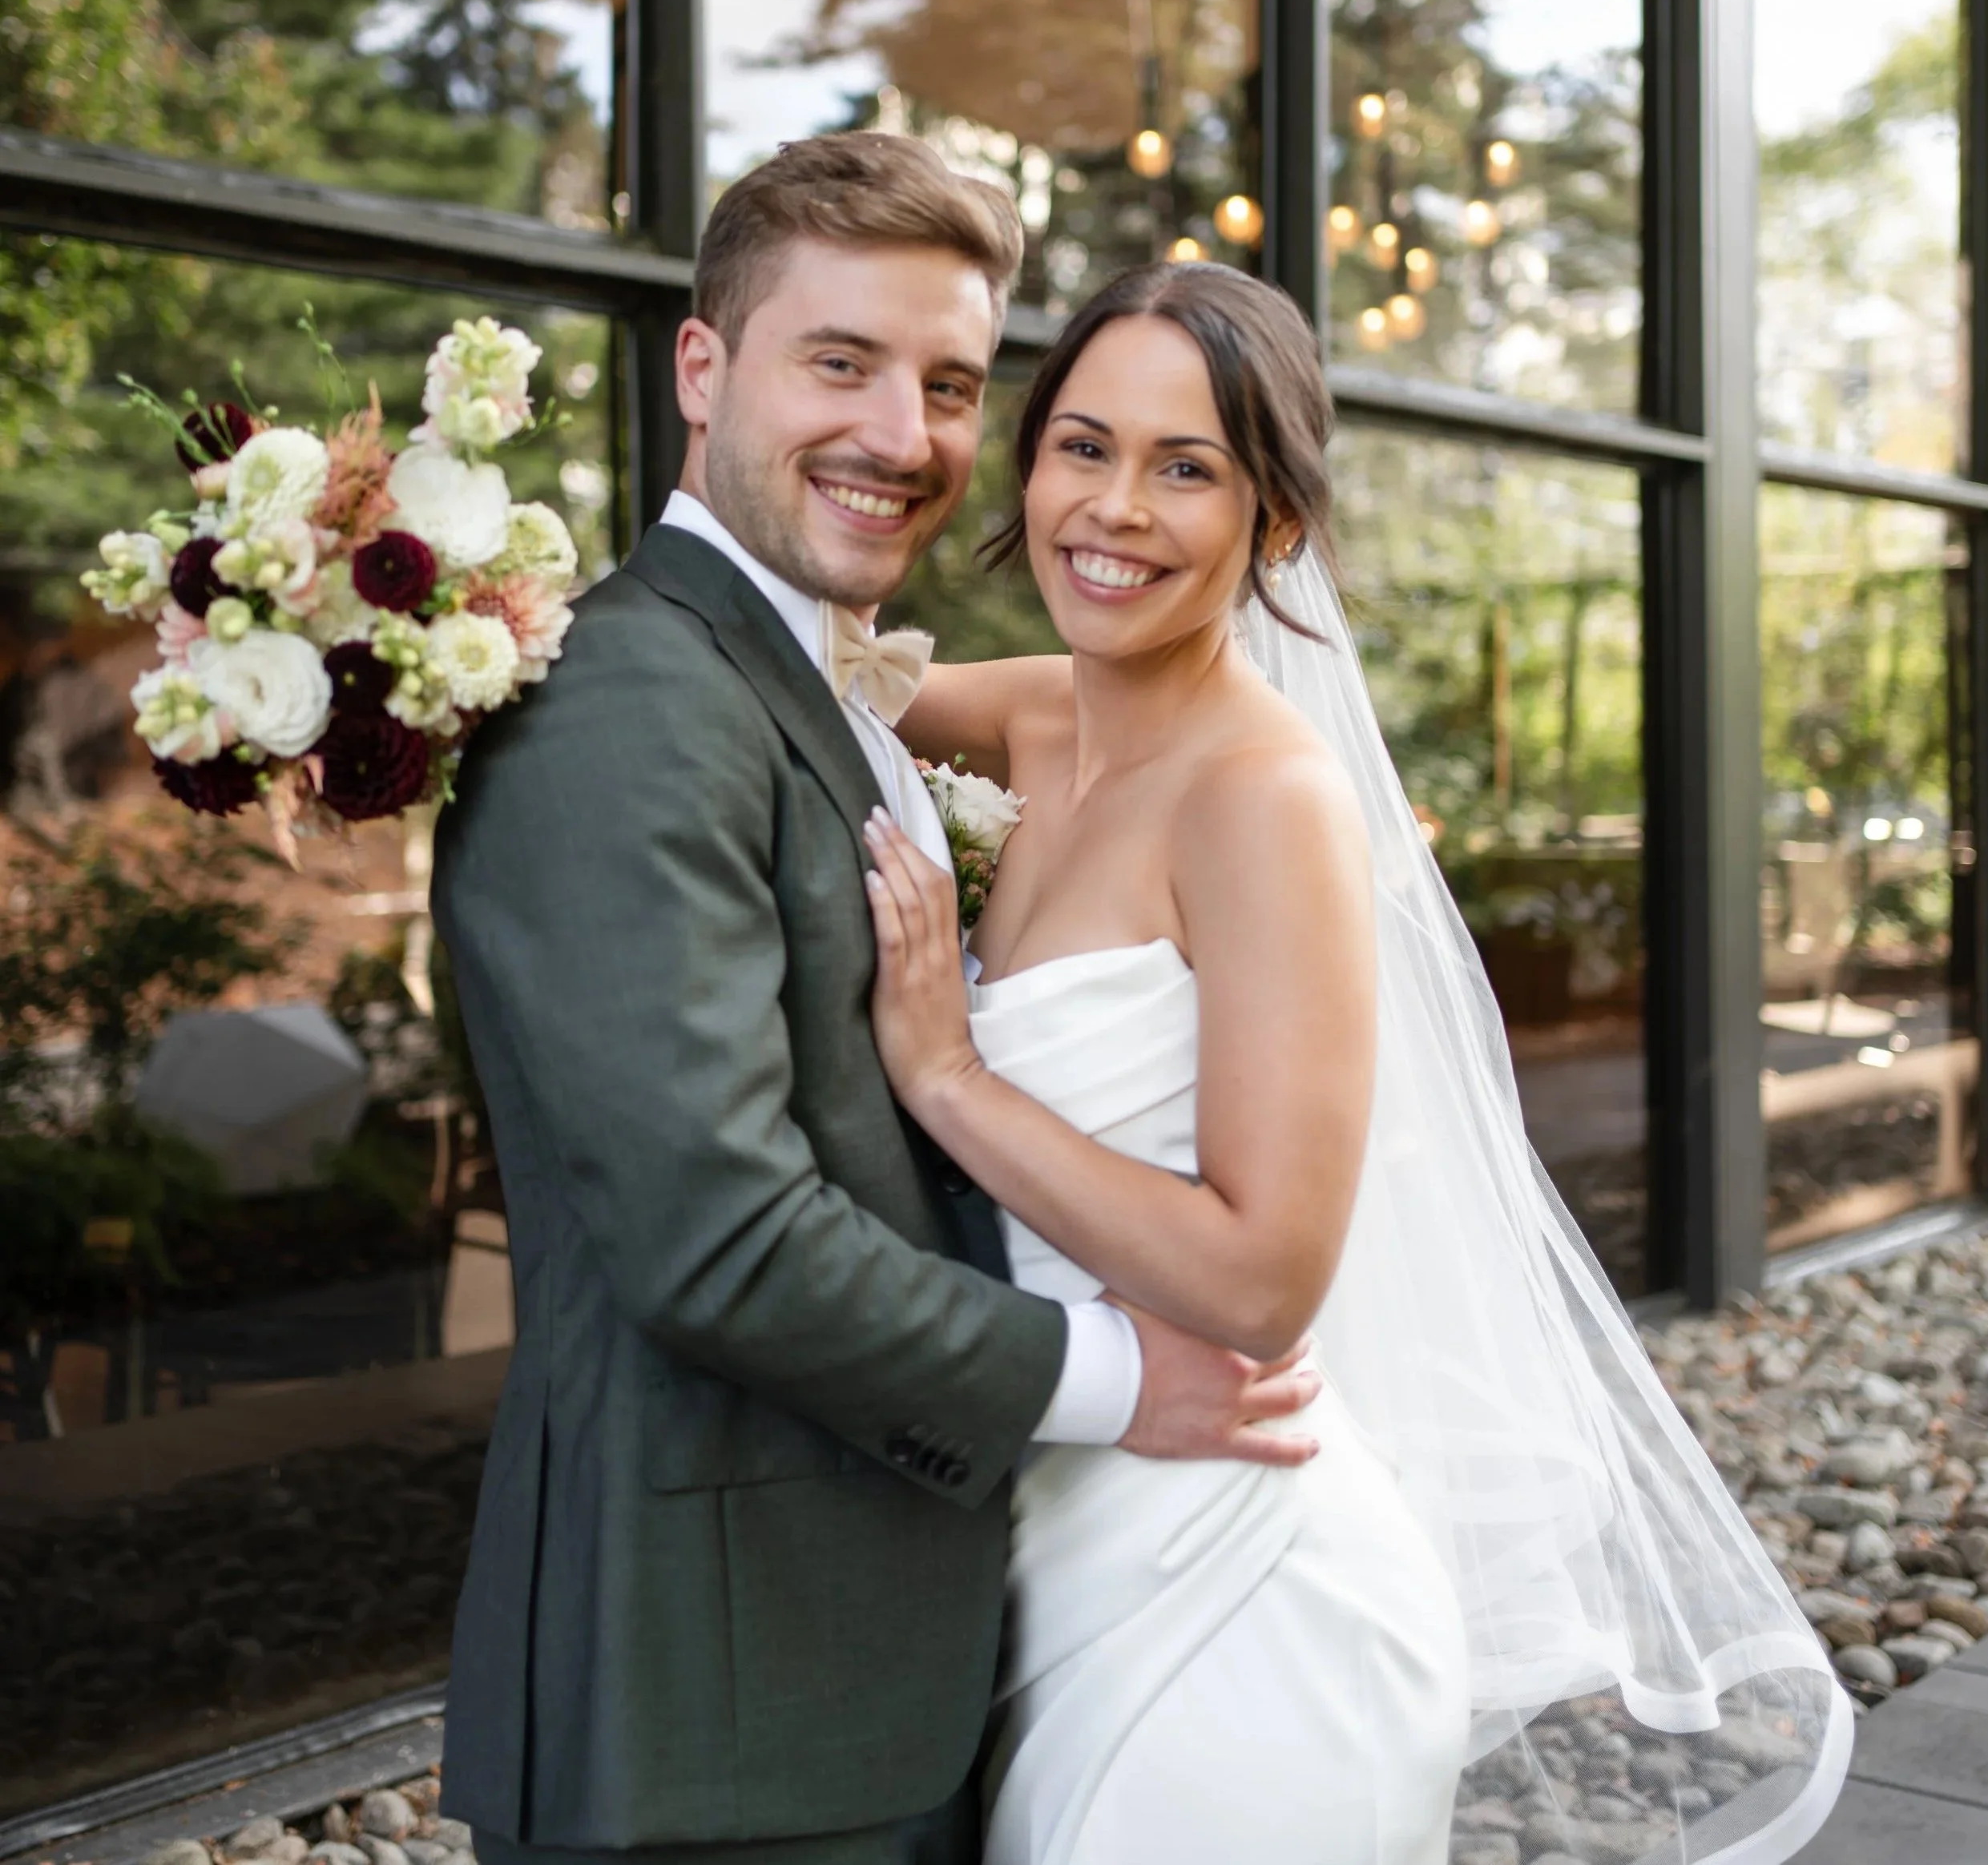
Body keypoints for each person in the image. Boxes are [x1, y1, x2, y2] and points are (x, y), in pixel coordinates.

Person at [861, 260, 1852, 1865]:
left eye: (1185, 466)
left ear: (1274, 522)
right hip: (1045, 1547)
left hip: (1243, 1600)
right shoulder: (1027, 721)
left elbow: (1262, 1276)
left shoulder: (1265, 796)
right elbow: (768, 691)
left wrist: (948, 1073)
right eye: (1081, 445)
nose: (1112, 507)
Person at [429, 135, 1322, 1865]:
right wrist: (1106, 1375)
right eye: (836, 361)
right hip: (724, 1693)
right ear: (702, 366)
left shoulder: (832, 686)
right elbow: (715, 1234)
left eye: (944, 383)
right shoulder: (627, 700)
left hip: (887, 1640)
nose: (901, 436)